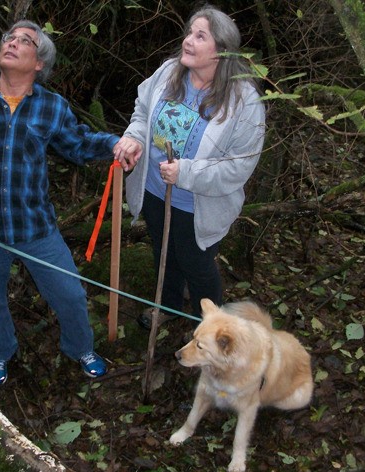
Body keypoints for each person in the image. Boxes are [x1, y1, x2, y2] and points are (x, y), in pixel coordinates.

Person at [0, 20, 138, 385]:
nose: (11, 44)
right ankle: (0, 352)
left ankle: (80, 348)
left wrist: (114, 143)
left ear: (39, 62)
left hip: (35, 228)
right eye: (8, 38)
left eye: (24, 41)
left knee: (71, 295)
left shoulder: (52, 107)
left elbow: (77, 143)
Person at [112, 5, 265, 328]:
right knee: (164, 253)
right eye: (189, 33)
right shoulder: (169, 72)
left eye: (200, 36)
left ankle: (210, 330)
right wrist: (134, 138)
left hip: (198, 205)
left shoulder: (244, 100)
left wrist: (186, 173)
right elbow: (142, 113)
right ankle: (167, 306)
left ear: (221, 51)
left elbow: (239, 166)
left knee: (198, 266)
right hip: (154, 190)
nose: (188, 41)